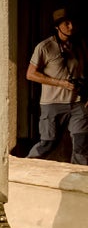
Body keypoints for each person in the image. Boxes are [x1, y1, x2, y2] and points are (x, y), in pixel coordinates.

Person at [26, 8, 87, 164]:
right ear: (57, 26)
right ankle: (24, 169)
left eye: (72, 22)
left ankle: (78, 183)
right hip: (52, 104)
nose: (71, 26)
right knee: (47, 143)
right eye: (66, 23)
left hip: (77, 103)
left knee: (81, 146)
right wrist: (61, 83)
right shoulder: (45, 47)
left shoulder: (80, 46)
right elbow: (30, 74)